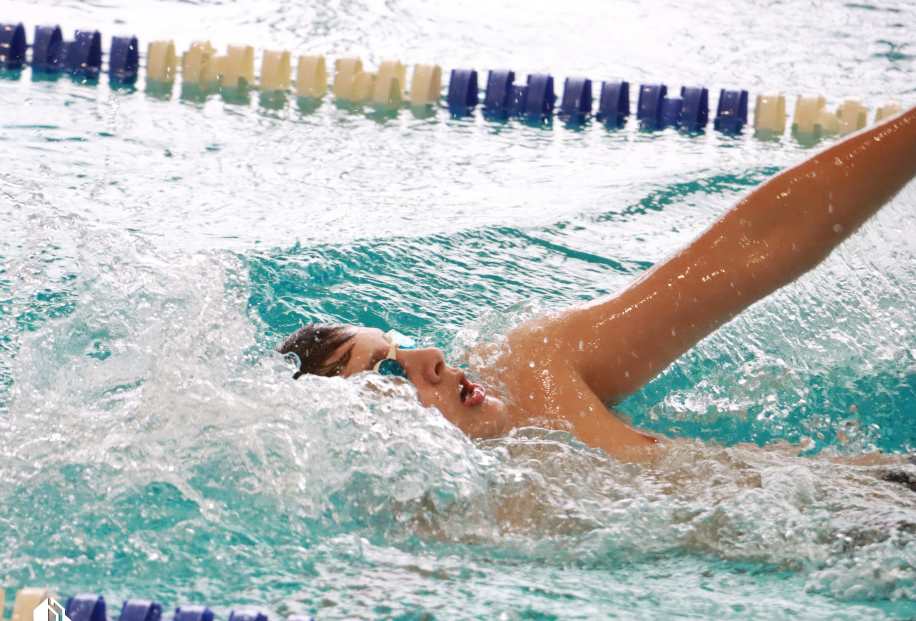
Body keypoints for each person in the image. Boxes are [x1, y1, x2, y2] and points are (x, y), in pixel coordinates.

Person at [277, 103, 916, 464]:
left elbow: (751, 248)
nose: (430, 357)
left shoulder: (536, 368)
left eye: (400, 345)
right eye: (392, 374)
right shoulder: (429, 530)